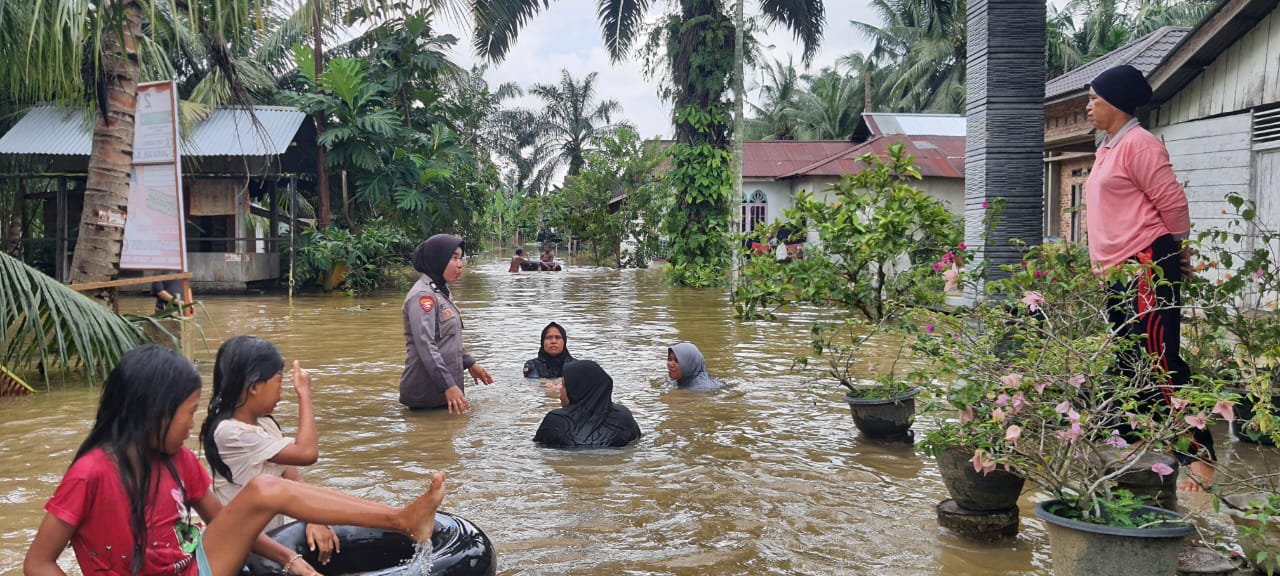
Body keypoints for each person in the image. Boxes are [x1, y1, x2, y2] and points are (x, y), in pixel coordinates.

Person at [24, 344, 447, 576]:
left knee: (264, 488)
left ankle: (402, 519)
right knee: (264, 488)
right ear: (152, 412)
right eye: (188, 412)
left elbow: (233, 524)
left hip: (194, 569)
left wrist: (291, 559)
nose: (193, 424)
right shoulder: (92, 473)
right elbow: (38, 562)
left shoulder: (181, 461)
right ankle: (401, 519)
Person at [1084, 64, 1214, 491]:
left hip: (1145, 263)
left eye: (1094, 100)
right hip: (1119, 269)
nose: (1088, 107)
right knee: (1128, 358)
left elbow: (1173, 207)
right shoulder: (1108, 147)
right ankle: (1137, 436)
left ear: (1117, 104)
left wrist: (1174, 255)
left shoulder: (1139, 145)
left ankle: (1201, 456)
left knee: (1160, 357)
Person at [199, 336, 340, 565]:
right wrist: (304, 394)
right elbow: (307, 453)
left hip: (273, 542)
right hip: (242, 553)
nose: (281, 394)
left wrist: (316, 519)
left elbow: (293, 478)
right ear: (254, 387)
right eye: (278, 383)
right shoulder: (231, 433)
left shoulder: (264, 424)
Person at [400, 234, 493, 414]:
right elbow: (425, 345)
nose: (460, 264)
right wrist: (448, 385)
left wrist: (471, 363)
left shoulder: (441, 291)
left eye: (461, 258)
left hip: (444, 395)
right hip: (427, 396)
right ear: (438, 259)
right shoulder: (423, 296)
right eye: (454, 258)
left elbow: (448, 340)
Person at [533, 360, 641, 448]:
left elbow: (538, 448)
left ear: (576, 390)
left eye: (564, 386)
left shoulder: (556, 420)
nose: (560, 390)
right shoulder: (623, 416)